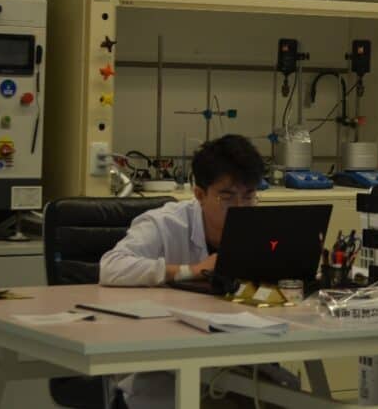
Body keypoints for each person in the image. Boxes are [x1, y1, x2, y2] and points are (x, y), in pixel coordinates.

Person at [99, 134, 264, 409]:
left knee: (285, 392)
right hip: (161, 371)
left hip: (234, 360)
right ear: (199, 194)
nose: (240, 208)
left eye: (248, 197)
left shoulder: (259, 225)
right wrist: (191, 270)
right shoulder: (165, 223)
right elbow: (111, 266)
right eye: (227, 197)